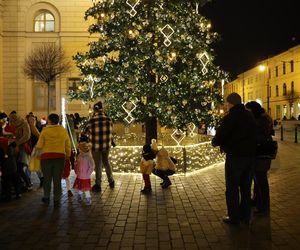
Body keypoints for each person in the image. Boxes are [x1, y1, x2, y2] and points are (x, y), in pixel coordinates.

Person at [212, 92, 257, 225]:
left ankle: (234, 217)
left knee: (232, 188)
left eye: (226, 103)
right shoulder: (249, 115)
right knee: (246, 187)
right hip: (249, 156)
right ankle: (245, 216)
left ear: (231, 103)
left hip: (235, 156)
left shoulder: (231, 117)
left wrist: (215, 142)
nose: (225, 105)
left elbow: (221, 135)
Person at [35, 113, 71, 207]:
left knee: (47, 179)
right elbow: (67, 144)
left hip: (46, 157)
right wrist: (68, 154)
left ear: (50, 121)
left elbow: (39, 145)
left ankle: (46, 197)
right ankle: (57, 200)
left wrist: (37, 155)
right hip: (59, 157)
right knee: (57, 179)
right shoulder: (63, 131)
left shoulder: (45, 131)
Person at [245, 101, 273, 215]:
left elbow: (261, 137)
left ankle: (264, 206)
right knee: (257, 180)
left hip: (262, 154)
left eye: (248, 110)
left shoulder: (261, 121)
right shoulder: (262, 118)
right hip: (259, 153)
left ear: (253, 110)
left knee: (261, 180)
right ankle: (257, 201)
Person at [85, 101, 115, 192]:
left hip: (96, 146)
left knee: (98, 164)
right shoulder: (108, 119)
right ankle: (111, 181)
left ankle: (98, 184)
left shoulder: (92, 120)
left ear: (95, 109)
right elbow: (110, 132)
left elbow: (86, 131)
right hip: (106, 146)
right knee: (106, 162)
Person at [8, 113, 32, 191]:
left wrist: (16, 143)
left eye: (12, 120)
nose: (11, 123)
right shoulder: (17, 124)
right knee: (18, 168)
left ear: (15, 119)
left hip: (23, 148)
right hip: (18, 148)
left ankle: (27, 184)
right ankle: (23, 184)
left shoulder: (24, 124)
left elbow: (26, 136)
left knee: (19, 168)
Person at [73, 135, 94, 205]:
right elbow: (76, 164)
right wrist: (76, 169)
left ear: (82, 149)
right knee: (80, 187)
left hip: (85, 176)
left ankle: (88, 198)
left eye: (79, 149)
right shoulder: (79, 156)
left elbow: (92, 166)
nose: (79, 150)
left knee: (86, 188)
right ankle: (79, 195)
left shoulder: (89, 157)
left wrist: (88, 173)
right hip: (79, 175)